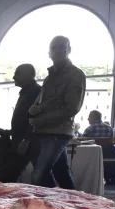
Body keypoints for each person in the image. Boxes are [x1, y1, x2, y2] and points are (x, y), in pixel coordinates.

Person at [29, 35, 85, 190]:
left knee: (38, 176)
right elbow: (40, 102)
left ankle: (49, 207)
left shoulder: (75, 74)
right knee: (62, 173)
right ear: (49, 53)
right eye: (54, 47)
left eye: (62, 46)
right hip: (45, 131)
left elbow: (72, 107)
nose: (58, 50)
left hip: (58, 132)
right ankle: (74, 206)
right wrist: (32, 109)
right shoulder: (49, 78)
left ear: (69, 50)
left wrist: (41, 120)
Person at [10, 63, 42, 179]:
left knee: (42, 176)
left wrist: (26, 140)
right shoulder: (26, 92)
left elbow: (36, 118)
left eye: (17, 73)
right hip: (23, 140)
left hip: (29, 142)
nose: (14, 77)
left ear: (30, 75)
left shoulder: (35, 91)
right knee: (42, 176)